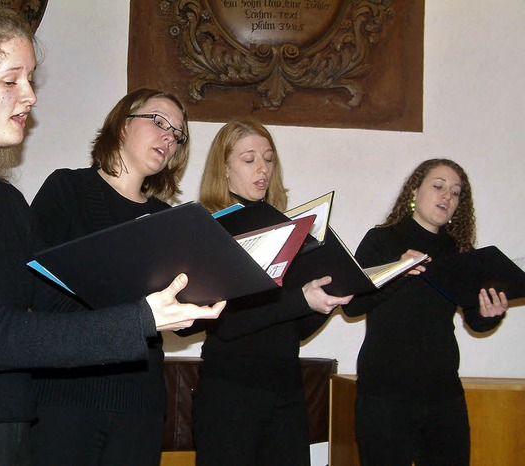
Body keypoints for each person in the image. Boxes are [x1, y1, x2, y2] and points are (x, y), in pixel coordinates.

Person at [0, 9, 224, 465]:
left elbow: (49, 300)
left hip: (12, 426)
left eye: (30, 80)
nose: (29, 96)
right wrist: (142, 318)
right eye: (11, 81)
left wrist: (183, 297)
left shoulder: (5, 202)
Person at [29, 88, 189, 465]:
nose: (170, 137)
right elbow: (35, 288)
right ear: (121, 125)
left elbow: (179, 319)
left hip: (141, 402)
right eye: (159, 122)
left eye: (178, 135)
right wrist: (133, 310)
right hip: (66, 395)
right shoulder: (67, 189)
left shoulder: (169, 220)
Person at [188, 119, 353, 466]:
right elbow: (227, 323)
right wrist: (299, 300)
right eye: (249, 160)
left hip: (287, 391)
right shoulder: (209, 228)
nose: (262, 168)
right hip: (230, 393)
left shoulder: (285, 227)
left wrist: (324, 302)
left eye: (268, 158)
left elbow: (293, 328)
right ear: (225, 169)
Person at [342, 158, 509, 466]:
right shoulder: (382, 239)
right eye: (438, 186)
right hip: (385, 391)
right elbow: (352, 305)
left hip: (443, 391)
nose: (447, 196)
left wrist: (491, 312)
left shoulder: (458, 252)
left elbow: (475, 320)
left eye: (456, 192)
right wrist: (397, 271)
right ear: (415, 191)